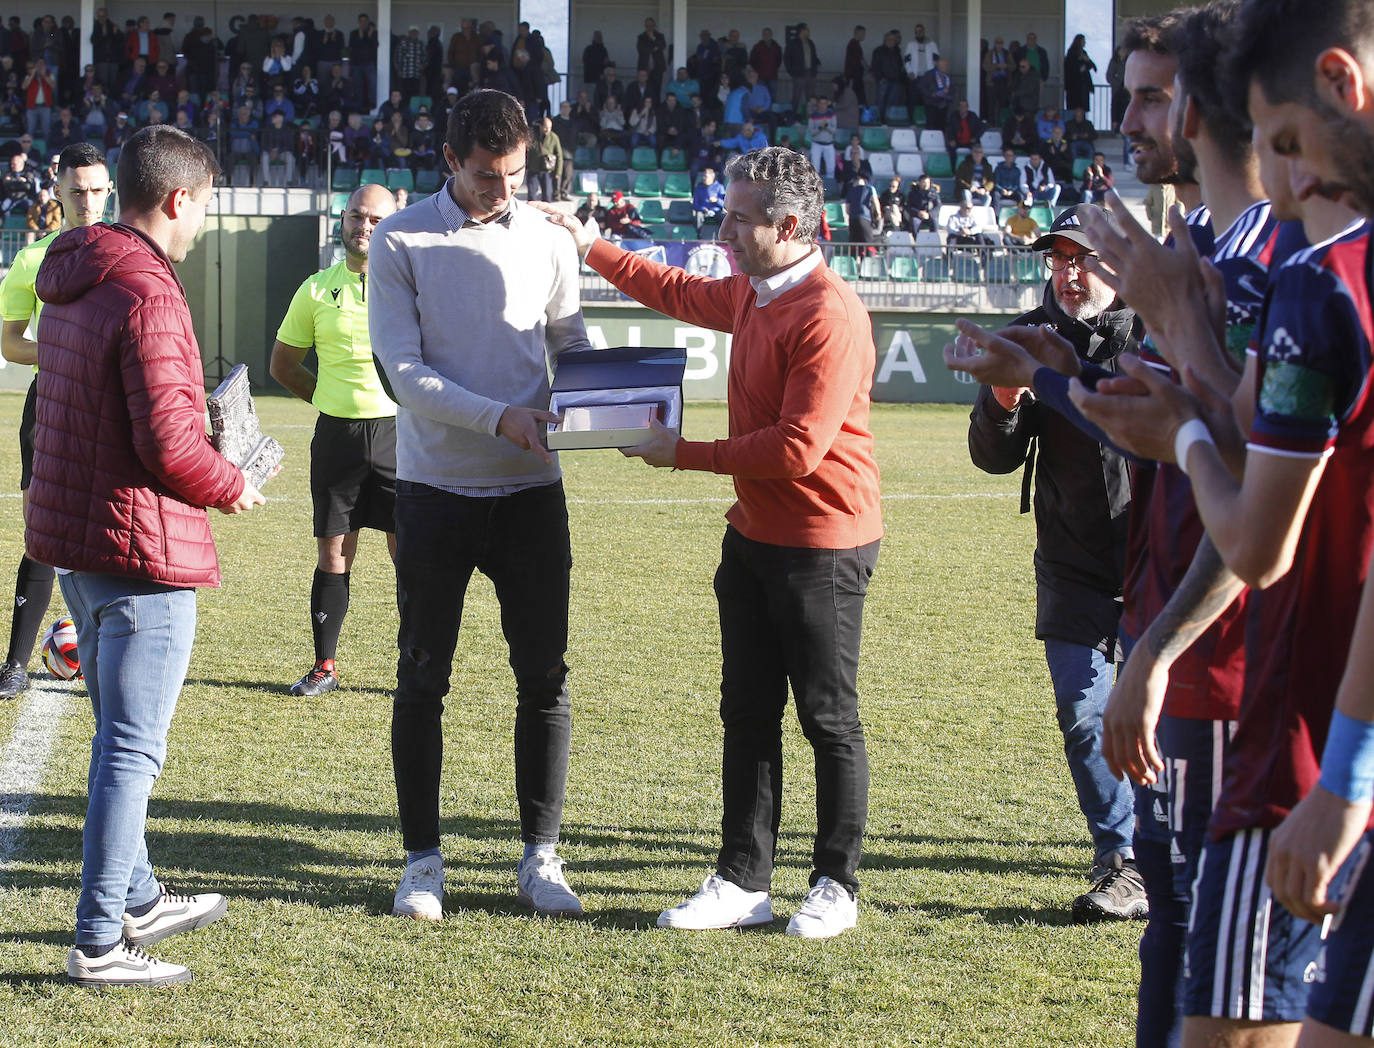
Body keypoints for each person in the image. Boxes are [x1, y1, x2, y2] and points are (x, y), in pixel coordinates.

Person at [537, 145, 883, 940]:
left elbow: (798, 448)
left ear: (789, 225)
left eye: (737, 217)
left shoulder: (827, 313)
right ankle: (742, 880)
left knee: (828, 718)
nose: (721, 228)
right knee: (748, 713)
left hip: (823, 541)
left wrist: (678, 453)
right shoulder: (757, 293)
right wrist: (588, 243)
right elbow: (679, 289)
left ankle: (835, 882)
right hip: (755, 536)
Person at [30, 126, 265, 987]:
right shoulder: (149, 293)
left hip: (80, 540)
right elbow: (170, 446)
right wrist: (231, 483)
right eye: (205, 205)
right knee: (132, 747)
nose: (204, 223)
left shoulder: (75, 275)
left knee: (117, 735)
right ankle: (99, 940)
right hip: (138, 550)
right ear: (179, 200)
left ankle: (135, 896)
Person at [368, 89, 592, 923]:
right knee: (422, 677)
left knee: (545, 678)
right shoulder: (400, 238)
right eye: (488, 176)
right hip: (433, 495)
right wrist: (499, 416)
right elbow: (403, 372)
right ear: (449, 163)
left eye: (516, 173)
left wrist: (611, 391)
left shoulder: (547, 237)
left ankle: (541, 857)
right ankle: (422, 861)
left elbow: (566, 341)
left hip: (534, 494)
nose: (504, 189)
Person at [966, 203, 1145, 921]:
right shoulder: (1027, 335)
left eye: (1085, 259)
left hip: (1163, 561)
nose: (1070, 275)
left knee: (1167, 718)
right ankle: (1122, 858)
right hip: (1071, 561)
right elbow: (993, 456)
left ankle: (1174, 849)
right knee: (1083, 712)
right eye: (1059, 259)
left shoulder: (1161, 332)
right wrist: (1005, 395)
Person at [269, 185, 398, 698]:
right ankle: (325, 665)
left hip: (398, 434)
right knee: (333, 553)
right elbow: (283, 365)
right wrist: (328, 397)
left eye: (374, 219)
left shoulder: (414, 286)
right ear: (341, 221)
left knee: (409, 557)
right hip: (336, 436)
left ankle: (416, 664)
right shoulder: (317, 289)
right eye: (355, 217)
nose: (363, 227)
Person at [0, 144, 112, 700]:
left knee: (109, 525)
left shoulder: (130, 254)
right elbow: (11, 344)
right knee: (41, 530)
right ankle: (17, 663)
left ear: (110, 189)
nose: (87, 201)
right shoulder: (31, 260)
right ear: (57, 188)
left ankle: (105, 650)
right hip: (50, 399)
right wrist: (67, 349)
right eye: (77, 190)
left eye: (96, 190)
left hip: (110, 403)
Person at [783, 23, 819, 117]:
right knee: (796, 97)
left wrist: (816, 66)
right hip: (798, 74)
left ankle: (811, 118)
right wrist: (792, 72)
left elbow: (814, 57)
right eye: (807, 30)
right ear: (802, 31)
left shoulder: (810, 43)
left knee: (811, 98)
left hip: (810, 73)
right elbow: (787, 58)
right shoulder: (793, 43)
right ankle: (792, 117)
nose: (809, 32)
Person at [1063, 34, 1096, 113]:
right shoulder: (1071, 53)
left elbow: (1092, 66)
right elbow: (1070, 68)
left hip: (1083, 85)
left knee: (1082, 108)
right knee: (1074, 107)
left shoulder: (1083, 53)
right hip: (1074, 85)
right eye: (1083, 41)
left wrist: (1087, 61)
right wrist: (1080, 68)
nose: (1084, 42)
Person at [807, 96, 837, 178]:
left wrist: (826, 126)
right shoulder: (813, 115)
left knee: (831, 168)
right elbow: (812, 132)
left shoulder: (831, 114)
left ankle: (830, 187)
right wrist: (820, 127)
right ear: (818, 104)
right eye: (821, 103)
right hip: (817, 144)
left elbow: (834, 130)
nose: (823, 105)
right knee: (815, 168)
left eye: (825, 103)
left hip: (829, 144)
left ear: (827, 104)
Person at [692, 165, 725, 232]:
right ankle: (698, 235)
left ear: (712, 177)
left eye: (706, 176)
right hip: (703, 211)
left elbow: (725, 204)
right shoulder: (699, 188)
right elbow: (695, 205)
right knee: (698, 216)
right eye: (703, 176)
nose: (704, 178)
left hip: (716, 211)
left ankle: (723, 238)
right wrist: (703, 209)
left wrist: (717, 200)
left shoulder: (719, 187)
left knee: (724, 217)